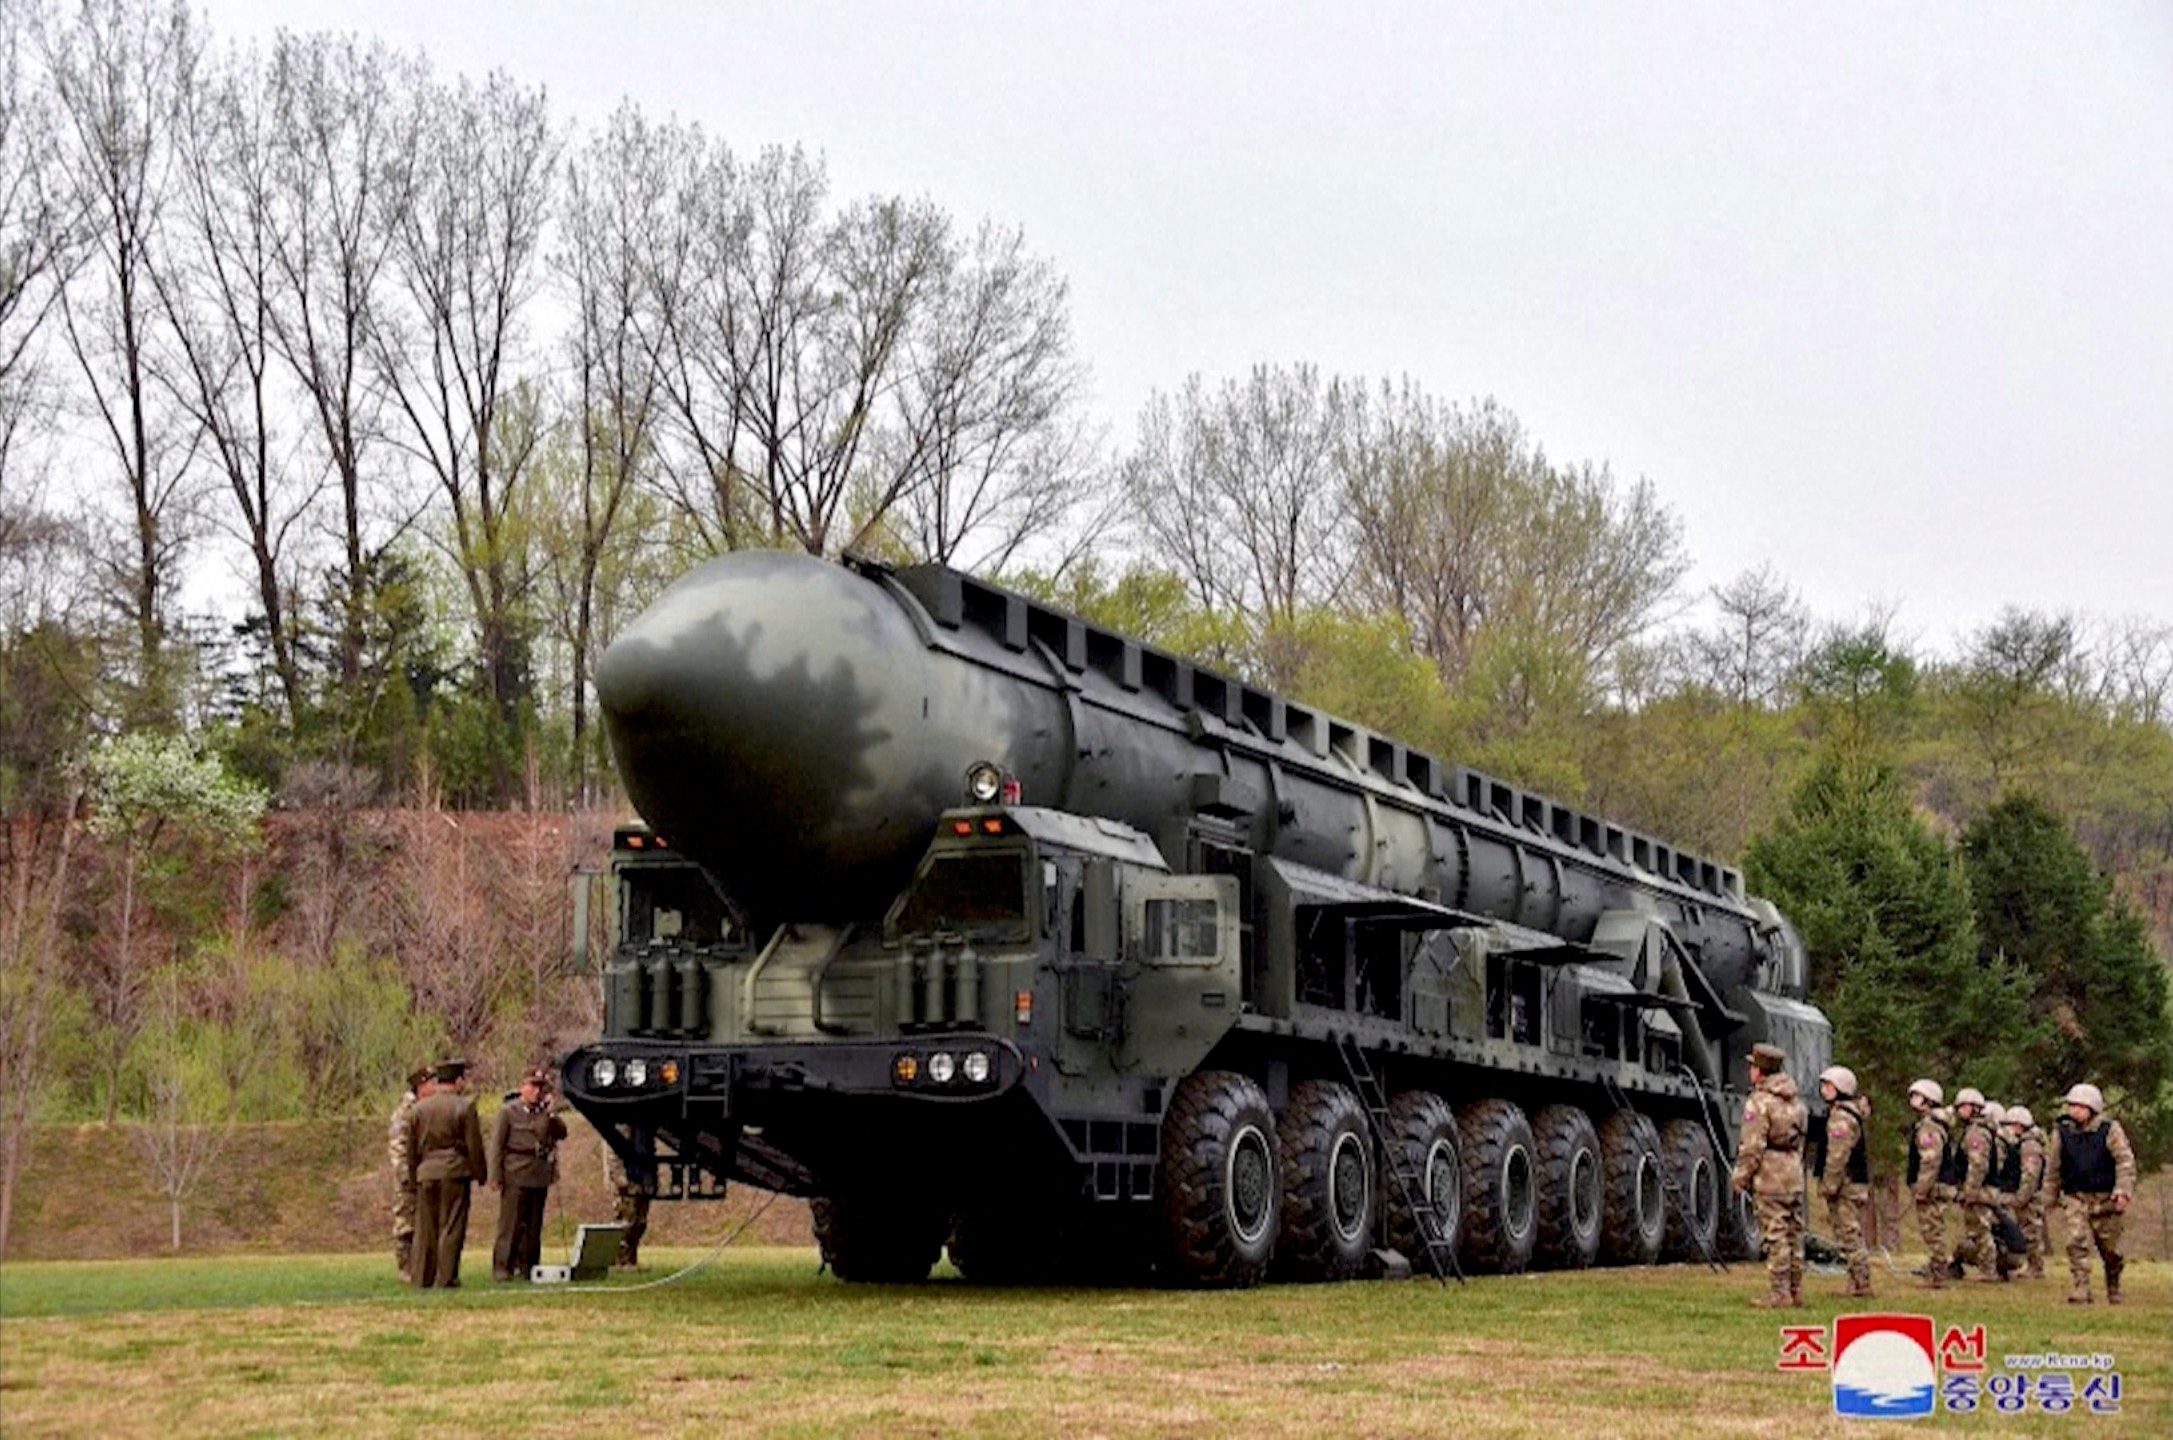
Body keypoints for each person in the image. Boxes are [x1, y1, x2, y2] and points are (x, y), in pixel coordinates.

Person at [2045, 1082, 2137, 1305]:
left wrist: (2123, 1191)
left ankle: (2113, 1285)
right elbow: (2053, 1167)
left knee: (2111, 1250)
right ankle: (2081, 1287)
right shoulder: (2062, 1132)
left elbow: (2124, 1161)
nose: (2073, 1110)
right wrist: (2049, 1197)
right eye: (2071, 1105)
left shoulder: (2109, 1130)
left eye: (2079, 1106)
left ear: (2092, 1108)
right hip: (2076, 1197)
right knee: (2076, 1241)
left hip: (2106, 1199)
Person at [1730, 1041, 1806, 1308]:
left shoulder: (1759, 1103)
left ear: (1760, 1071)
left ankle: (1779, 1292)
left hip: (1771, 1175)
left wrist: (1740, 1177)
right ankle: (1796, 1289)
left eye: (1753, 1066)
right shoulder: (1795, 1102)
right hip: (1793, 1172)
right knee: (1794, 1234)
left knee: (1775, 1236)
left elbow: (1752, 1146)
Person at [407, 1059, 488, 1289]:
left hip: (426, 1173)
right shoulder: (464, 1107)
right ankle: (446, 1277)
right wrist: (480, 1173)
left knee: (426, 1229)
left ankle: (423, 1277)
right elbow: (474, 1145)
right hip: (454, 1171)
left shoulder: (418, 1109)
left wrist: (413, 1178)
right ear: (458, 1080)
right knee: (451, 1226)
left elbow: (410, 1150)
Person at [490, 1066, 569, 1282]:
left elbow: (562, 1133)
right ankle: (503, 1267)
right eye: (533, 1086)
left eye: (541, 1087)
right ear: (522, 1087)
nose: (537, 1091)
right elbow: (497, 1145)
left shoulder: (545, 1113)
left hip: (538, 1172)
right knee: (511, 1224)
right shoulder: (509, 1111)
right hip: (515, 1171)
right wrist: (495, 1175)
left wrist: (552, 1114)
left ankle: (529, 1266)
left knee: (534, 1225)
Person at [1810, 1064, 1872, 1298]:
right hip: (1849, 1183)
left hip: (1846, 1184)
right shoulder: (1845, 1114)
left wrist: (1829, 1184)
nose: (1823, 1090)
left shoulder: (1841, 1119)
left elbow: (1837, 1156)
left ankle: (1861, 1282)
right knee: (1846, 1233)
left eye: (1828, 1086)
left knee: (1848, 1233)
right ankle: (1855, 1282)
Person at [1905, 1079, 1959, 1289]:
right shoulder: (1932, 1124)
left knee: (1933, 1231)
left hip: (1934, 1188)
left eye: (1917, 1095)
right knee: (1934, 1230)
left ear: (1928, 1100)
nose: (1912, 1099)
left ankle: (1938, 1274)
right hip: (1937, 1186)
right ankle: (1937, 1271)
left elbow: (1930, 1161)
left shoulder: (1928, 1127)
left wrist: (1921, 1188)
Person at [388, 1065, 432, 1282]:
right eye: (430, 1083)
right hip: (407, 1178)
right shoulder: (404, 1113)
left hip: (423, 1173)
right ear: (421, 1086)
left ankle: (420, 1265)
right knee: (405, 1223)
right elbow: (398, 1146)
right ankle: (405, 1267)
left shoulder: (424, 1109)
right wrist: (405, 1176)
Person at [1952, 1087, 2000, 1283]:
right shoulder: (1976, 1131)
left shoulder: (1976, 1134)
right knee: (1978, 1229)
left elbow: (1977, 1164)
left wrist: (1970, 1191)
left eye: (1964, 1106)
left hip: (1981, 1189)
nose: (1960, 1110)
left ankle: (1988, 1270)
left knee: (1980, 1229)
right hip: (1981, 1188)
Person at [2003, 1104, 2049, 1280]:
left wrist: (2022, 1197)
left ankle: (2036, 1267)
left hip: (2030, 1196)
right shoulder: (2023, 1143)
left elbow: (2030, 1174)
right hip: (2025, 1194)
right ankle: (2032, 1265)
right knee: (2027, 1230)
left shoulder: (2030, 1145)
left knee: (2031, 1231)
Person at [607, 1127, 655, 1269]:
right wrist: (620, 1178)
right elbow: (614, 1153)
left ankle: (632, 1259)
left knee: (639, 1223)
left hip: (640, 1180)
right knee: (626, 1222)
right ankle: (620, 1260)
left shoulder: (641, 1131)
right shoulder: (621, 1127)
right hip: (628, 1183)